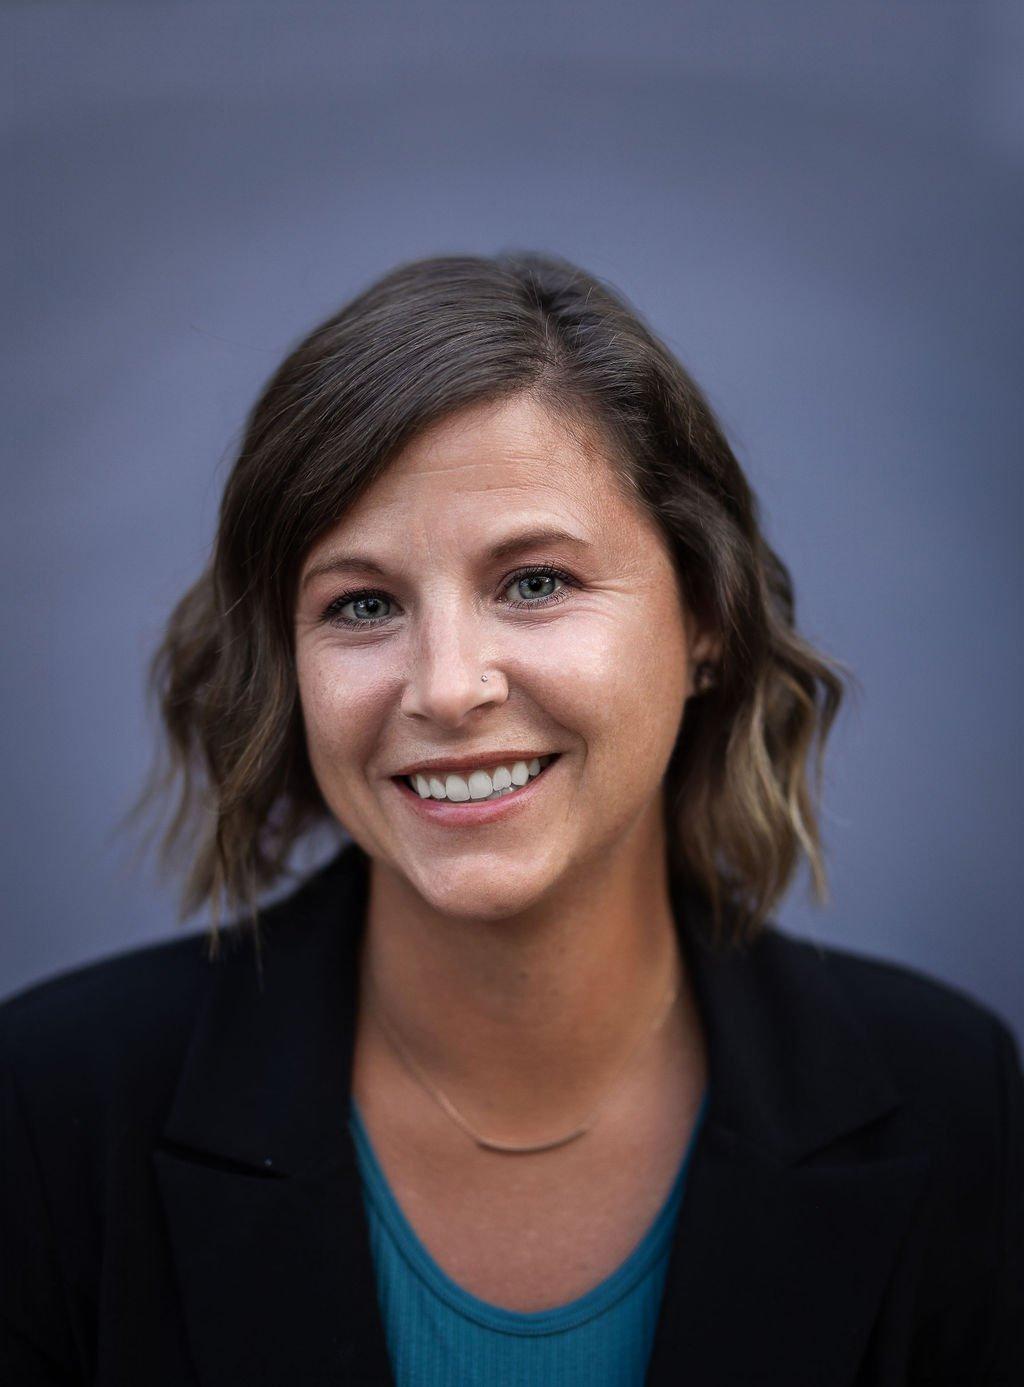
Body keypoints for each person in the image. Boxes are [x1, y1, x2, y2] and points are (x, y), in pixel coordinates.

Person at [1, 252, 1021, 1387]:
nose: (445, 687)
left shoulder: (955, 1100)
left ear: (706, 620)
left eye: (533, 582)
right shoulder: (53, 1113)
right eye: (363, 604)